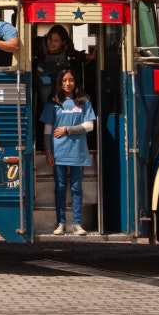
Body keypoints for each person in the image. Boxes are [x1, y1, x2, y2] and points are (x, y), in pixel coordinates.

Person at [42, 68, 96, 236]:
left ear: (75, 82)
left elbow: (90, 126)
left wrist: (67, 129)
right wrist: (48, 151)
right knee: (59, 187)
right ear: (59, 83)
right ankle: (61, 223)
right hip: (58, 152)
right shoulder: (53, 103)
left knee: (76, 188)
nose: (67, 83)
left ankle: (77, 224)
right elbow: (47, 130)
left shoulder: (84, 101)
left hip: (78, 152)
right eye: (64, 80)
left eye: (71, 80)